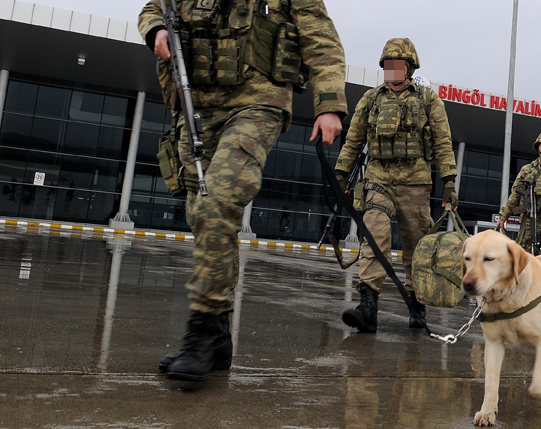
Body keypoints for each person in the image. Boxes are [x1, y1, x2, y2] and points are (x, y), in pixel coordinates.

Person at [139, 0, 348, 381]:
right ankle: (218, 337)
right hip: (196, 104)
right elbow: (155, 6)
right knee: (203, 218)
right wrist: (156, 29)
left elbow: (321, 39)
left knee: (216, 200)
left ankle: (200, 333)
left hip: (257, 101)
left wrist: (329, 105)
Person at [335, 38, 458, 334]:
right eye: (388, 64)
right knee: (373, 237)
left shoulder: (429, 100)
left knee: (417, 247)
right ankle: (368, 306)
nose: (392, 69)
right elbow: (353, 140)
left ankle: (417, 303)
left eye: (398, 64)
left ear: (410, 67)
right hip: (378, 178)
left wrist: (449, 182)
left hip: (416, 182)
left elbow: (443, 143)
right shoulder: (370, 99)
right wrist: (341, 173)